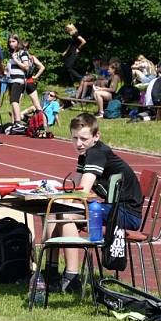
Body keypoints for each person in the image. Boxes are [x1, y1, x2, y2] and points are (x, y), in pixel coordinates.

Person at [42, 113, 143, 292]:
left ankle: (72, 277)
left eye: (83, 138)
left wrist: (63, 197)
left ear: (96, 136)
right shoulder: (86, 154)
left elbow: (82, 191)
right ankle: (51, 273)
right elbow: (76, 187)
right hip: (113, 209)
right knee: (54, 211)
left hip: (125, 214)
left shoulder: (96, 153)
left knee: (65, 214)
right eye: (74, 138)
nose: (78, 143)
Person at [6, 35, 44, 124]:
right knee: (16, 101)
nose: (11, 44)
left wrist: (35, 76)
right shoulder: (29, 56)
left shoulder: (26, 55)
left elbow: (39, 67)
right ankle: (14, 123)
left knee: (17, 102)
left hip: (25, 80)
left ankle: (42, 123)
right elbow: (42, 67)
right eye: (10, 42)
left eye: (13, 42)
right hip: (25, 80)